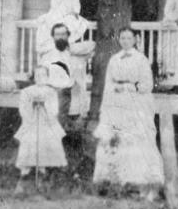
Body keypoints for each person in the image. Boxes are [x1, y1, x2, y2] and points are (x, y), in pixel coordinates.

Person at [92, 27, 165, 196]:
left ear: (135, 40)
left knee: (135, 138)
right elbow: (108, 85)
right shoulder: (114, 59)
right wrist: (107, 107)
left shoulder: (141, 59)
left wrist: (129, 87)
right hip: (117, 104)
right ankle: (116, 181)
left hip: (135, 104)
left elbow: (147, 84)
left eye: (128, 38)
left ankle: (139, 183)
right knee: (116, 136)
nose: (125, 41)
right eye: (122, 38)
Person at [15, 61, 74, 181]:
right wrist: (31, 110)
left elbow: (54, 108)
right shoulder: (28, 91)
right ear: (34, 77)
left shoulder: (51, 92)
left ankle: (42, 167)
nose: (40, 78)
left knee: (45, 142)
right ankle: (26, 168)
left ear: (47, 77)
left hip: (46, 121)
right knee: (29, 142)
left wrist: (45, 107)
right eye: (37, 75)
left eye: (42, 75)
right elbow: (23, 107)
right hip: (32, 121)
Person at [33, 22, 92, 131]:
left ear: (68, 36)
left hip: (67, 91)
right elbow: (41, 75)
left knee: (60, 114)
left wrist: (72, 48)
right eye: (58, 34)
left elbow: (93, 46)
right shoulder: (48, 55)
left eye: (63, 34)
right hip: (51, 90)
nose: (61, 37)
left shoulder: (74, 54)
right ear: (53, 37)